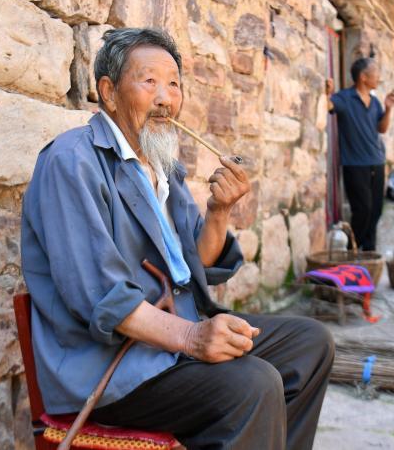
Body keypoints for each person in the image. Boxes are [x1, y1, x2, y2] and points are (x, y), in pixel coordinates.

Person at [21, 28, 334, 450]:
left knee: (309, 345)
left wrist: (220, 211)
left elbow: (193, 264)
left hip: (170, 341)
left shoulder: (162, 166)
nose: (165, 98)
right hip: (113, 366)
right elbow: (101, 295)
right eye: (149, 81)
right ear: (109, 93)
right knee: (252, 384)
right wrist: (192, 338)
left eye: (174, 84)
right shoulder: (71, 161)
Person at [325, 57, 394, 251]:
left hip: (377, 160)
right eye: (375, 72)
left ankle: (369, 250)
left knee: (376, 210)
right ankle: (352, 248)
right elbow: (328, 105)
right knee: (362, 209)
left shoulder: (374, 102)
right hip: (354, 164)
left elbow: (381, 128)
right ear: (364, 77)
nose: (379, 77)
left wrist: (388, 108)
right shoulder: (345, 98)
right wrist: (327, 93)